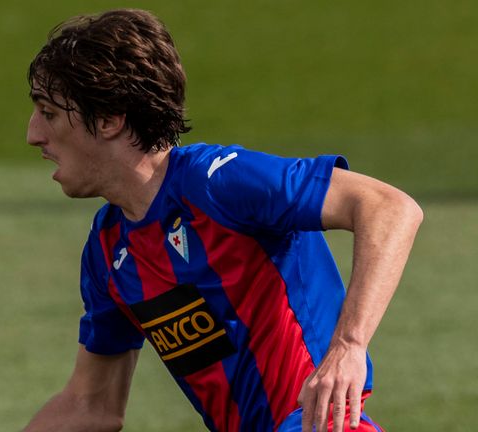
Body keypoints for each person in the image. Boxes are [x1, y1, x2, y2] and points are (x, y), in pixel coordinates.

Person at [23, 9, 422, 432]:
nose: (33, 134)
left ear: (108, 120)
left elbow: (390, 207)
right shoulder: (108, 250)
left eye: (48, 113)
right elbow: (91, 405)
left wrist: (349, 346)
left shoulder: (218, 181)